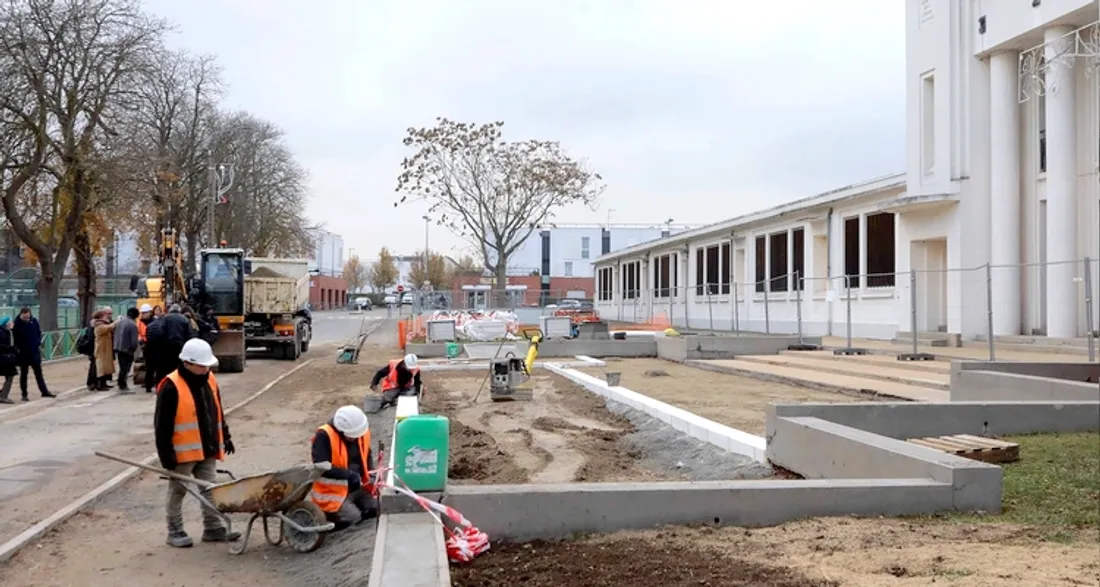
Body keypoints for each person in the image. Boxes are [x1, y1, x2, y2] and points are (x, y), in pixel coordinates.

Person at [154, 338, 240, 548]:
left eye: (207, 366)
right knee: (178, 491)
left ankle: (212, 528)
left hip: (208, 446)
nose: (205, 369)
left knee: (210, 488)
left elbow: (218, 409)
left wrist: (225, 436)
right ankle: (175, 530)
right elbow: (162, 425)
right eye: (201, 366)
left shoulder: (209, 379)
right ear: (187, 363)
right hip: (183, 452)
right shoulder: (171, 385)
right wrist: (166, 456)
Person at [309, 405, 378, 530]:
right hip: (333, 493)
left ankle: (354, 507)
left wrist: (370, 472)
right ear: (341, 431)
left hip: (356, 487)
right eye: (351, 436)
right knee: (354, 517)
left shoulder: (360, 431)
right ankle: (327, 520)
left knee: (374, 509)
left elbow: (367, 454)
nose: (355, 438)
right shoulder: (324, 436)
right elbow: (321, 467)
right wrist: (349, 475)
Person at [147, 304, 195, 389]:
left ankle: (161, 386)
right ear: (179, 310)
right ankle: (181, 385)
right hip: (180, 347)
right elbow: (189, 335)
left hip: (166, 347)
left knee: (164, 368)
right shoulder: (184, 319)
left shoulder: (165, 318)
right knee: (180, 367)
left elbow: (160, 332)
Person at [12, 308, 54, 401]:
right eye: (25, 317)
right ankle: (24, 394)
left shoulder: (33, 321)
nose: (27, 318)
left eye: (28, 316)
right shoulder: (17, 324)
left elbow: (39, 332)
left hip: (34, 352)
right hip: (23, 353)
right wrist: (17, 350)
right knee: (24, 374)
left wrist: (38, 342)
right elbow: (14, 338)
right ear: (21, 315)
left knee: (39, 373)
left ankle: (44, 391)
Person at [88, 309, 117, 391]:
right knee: (101, 368)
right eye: (105, 314)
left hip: (105, 349)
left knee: (105, 367)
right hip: (101, 349)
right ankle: (99, 384)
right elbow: (109, 328)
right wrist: (116, 322)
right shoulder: (98, 325)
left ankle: (104, 383)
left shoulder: (101, 324)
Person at [114, 307, 140, 393]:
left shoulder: (120, 322)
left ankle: (120, 382)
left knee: (122, 367)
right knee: (126, 368)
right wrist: (133, 349)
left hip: (119, 347)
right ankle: (123, 385)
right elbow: (133, 341)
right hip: (127, 349)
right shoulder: (133, 325)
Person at [0, 318, 19, 404]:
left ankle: (3, 394)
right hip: (5, 358)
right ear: (6, 324)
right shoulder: (3, 333)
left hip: (6, 358)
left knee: (9, 376)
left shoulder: (7, 332)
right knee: (10, 376)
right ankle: (3, 396)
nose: (12, 323)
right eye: (10, 322)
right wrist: (11, 349)